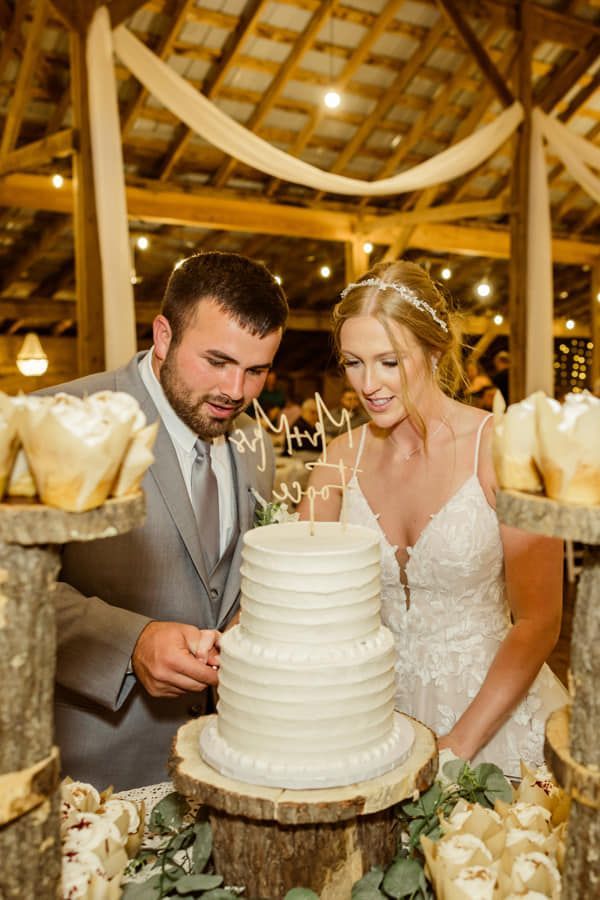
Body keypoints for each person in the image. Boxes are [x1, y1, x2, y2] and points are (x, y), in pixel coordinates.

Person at [299, 260, 568, 778]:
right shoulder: (338, 459)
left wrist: (453, 750)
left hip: (491, 717)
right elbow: (304, 599)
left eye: (389, 362)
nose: (368, 384)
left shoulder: (503, 449)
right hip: (374, 720)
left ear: (434, 352)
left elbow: (540, 621)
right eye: (354, 362)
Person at [48, 251, 288, 790]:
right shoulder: (59, 420)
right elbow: (7, 591)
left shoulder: (256, 443)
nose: (236, 390)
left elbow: (229, 582)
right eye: (217, 361)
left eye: (256, 370)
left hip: (226, 761)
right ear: (163, 335)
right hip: (95, 772)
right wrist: (129, 643)